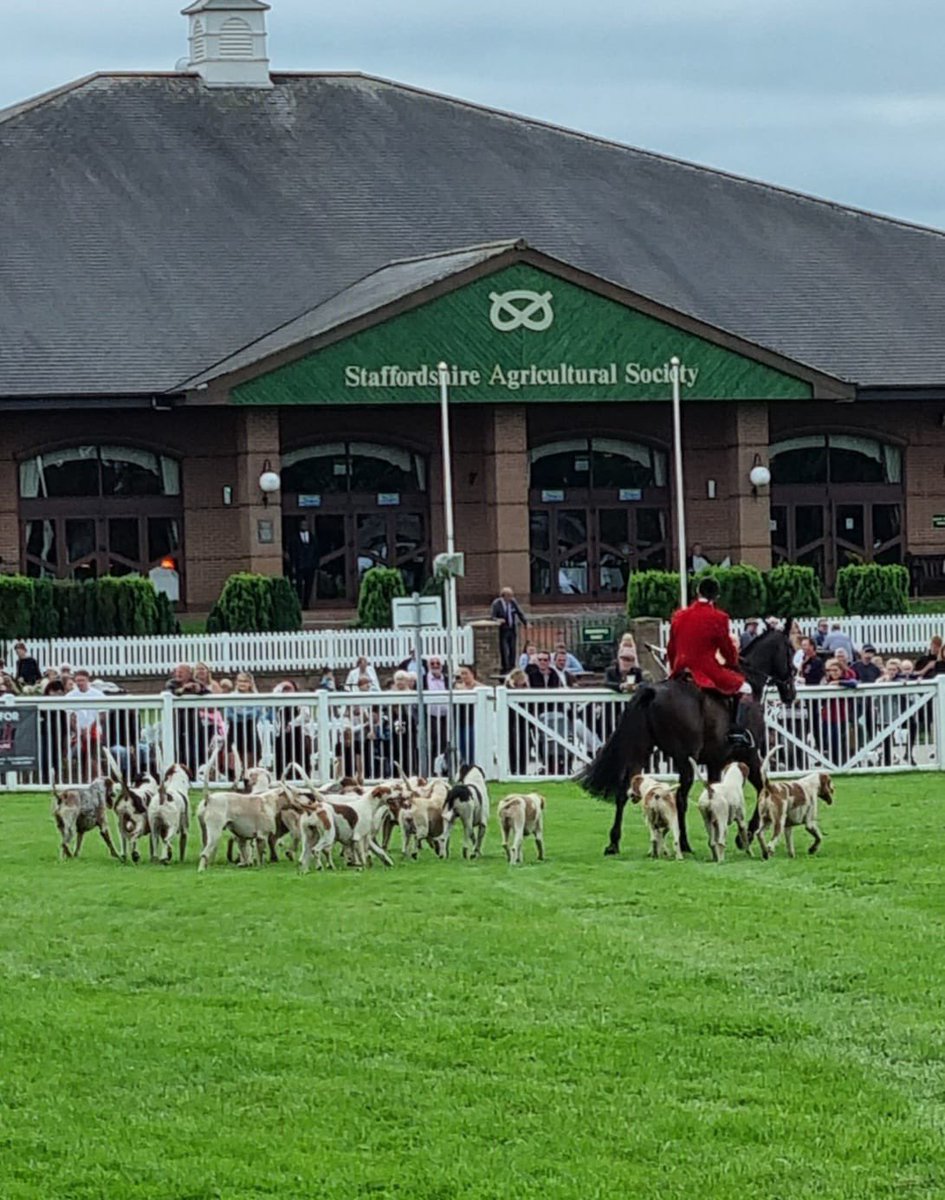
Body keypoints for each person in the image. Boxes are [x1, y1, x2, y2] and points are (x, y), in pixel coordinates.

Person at [666, 575, 753, 750]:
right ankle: (736, 732)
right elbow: (727, 649)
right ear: (716, 597)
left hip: (680, 668)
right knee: (746, 688)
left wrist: (674, 667)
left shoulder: (679, 615)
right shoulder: (719, 617)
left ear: (698, 592)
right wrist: (732, 663)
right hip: (705, 670)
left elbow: (671, 647)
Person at [491, 586, 528, 674]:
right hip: (503, 629)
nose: (511, 598)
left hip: (512, 628)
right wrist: (498, 620)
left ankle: (512, 667)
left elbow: (519, 613)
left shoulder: (513, 602)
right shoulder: (496, 603)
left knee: (513, 648)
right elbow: (492, 617)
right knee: (504, 649)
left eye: (511, 596)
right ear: (504, 596)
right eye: (509, 596)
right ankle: (505, 668)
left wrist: (525, 623)